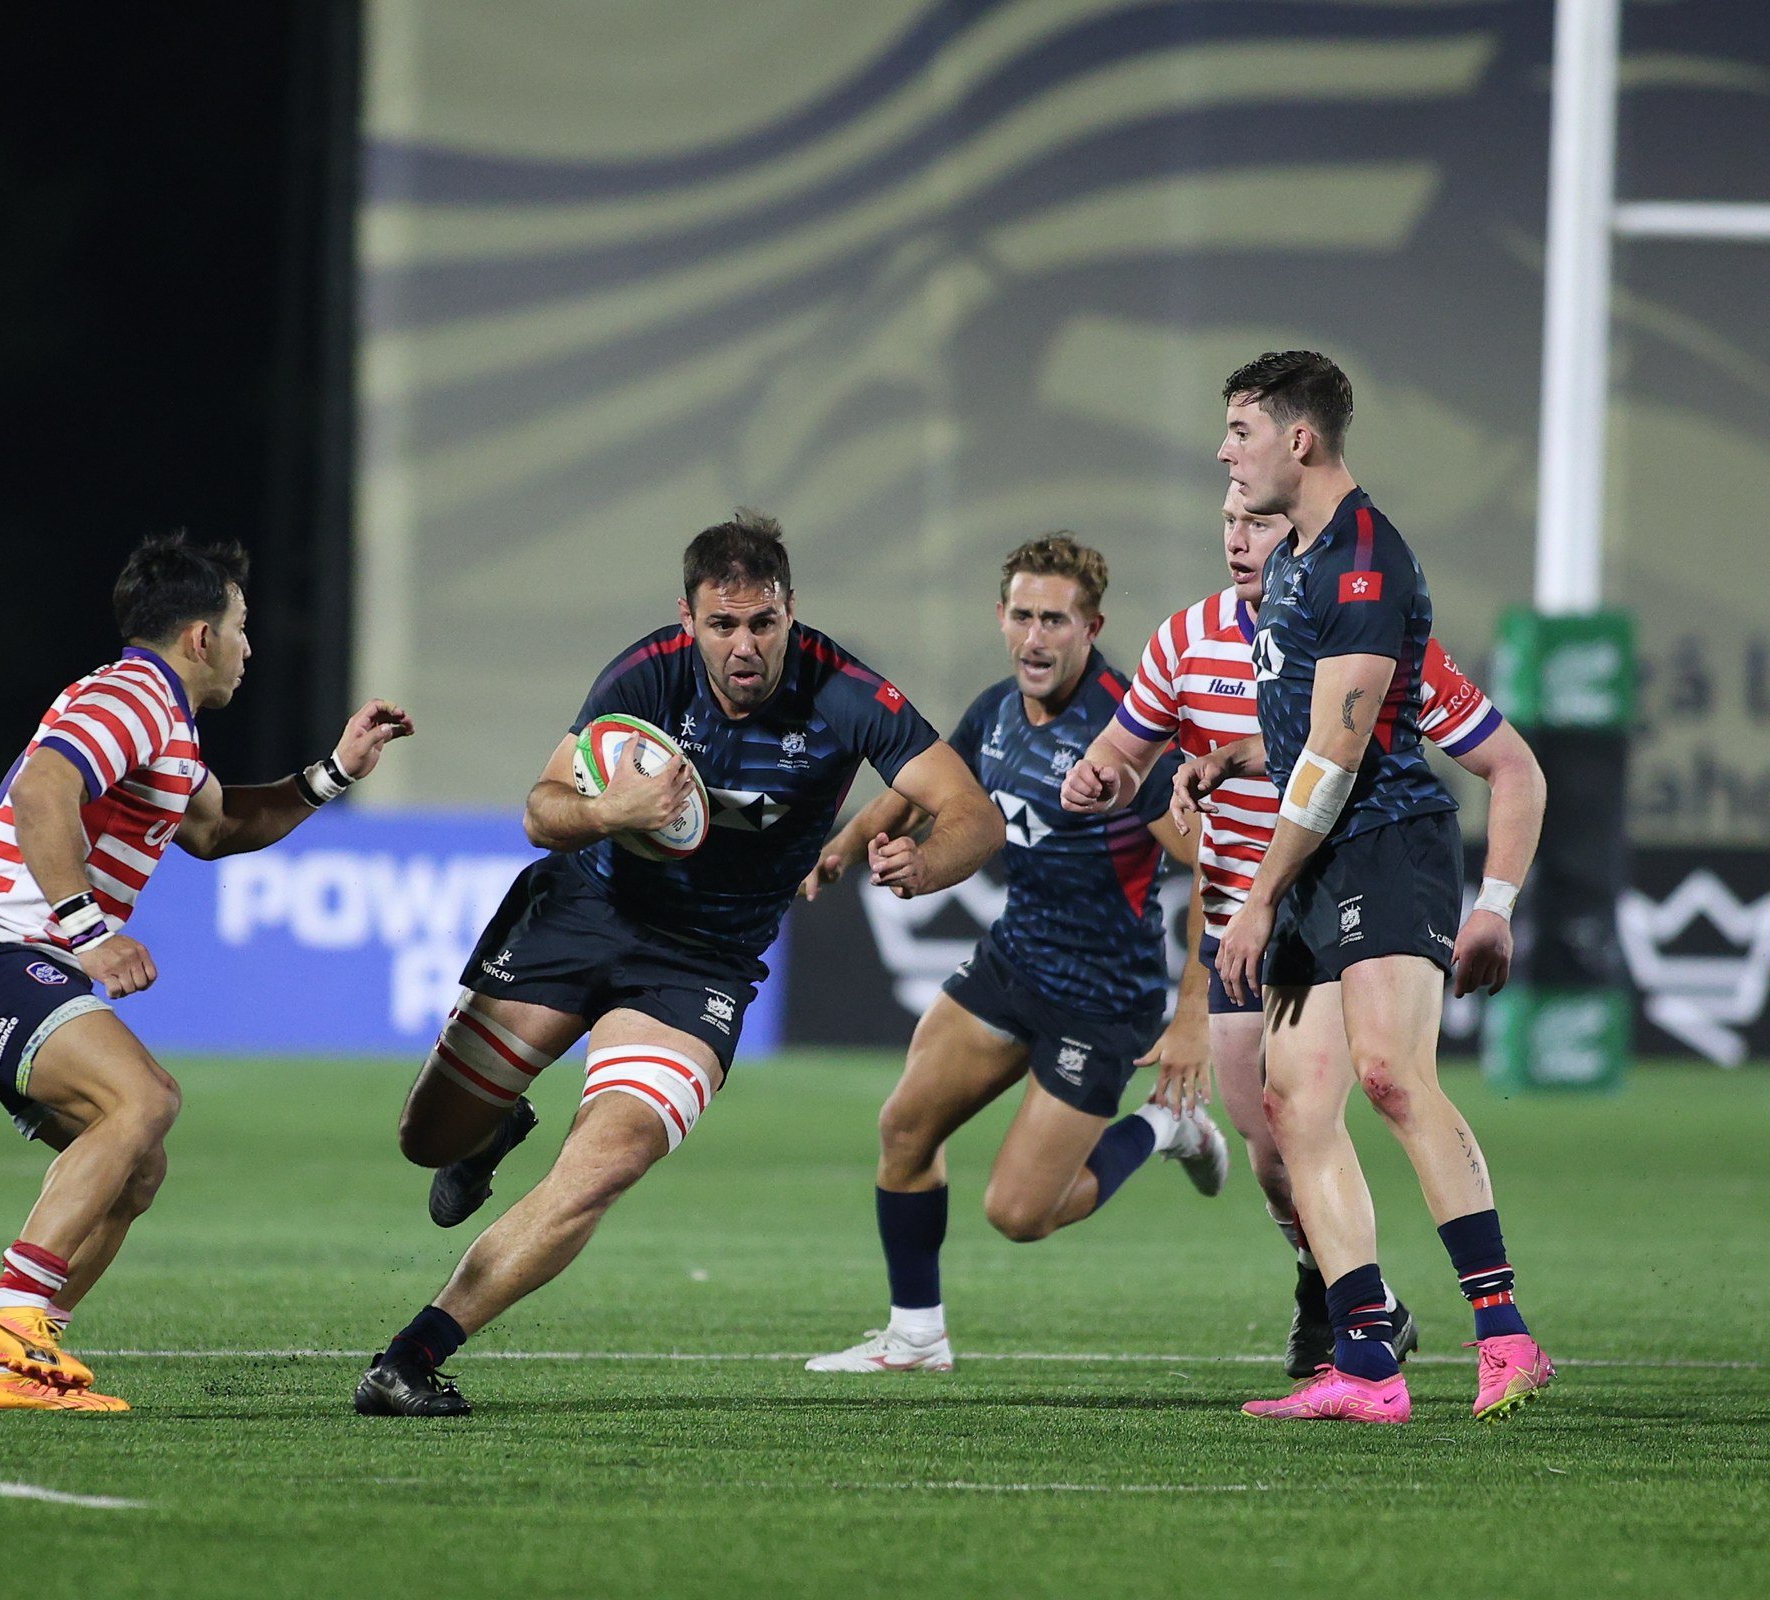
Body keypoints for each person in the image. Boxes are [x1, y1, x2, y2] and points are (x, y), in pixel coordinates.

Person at [356, 511, 1002, 1416]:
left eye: (764, 623)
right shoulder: (647, 672)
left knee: (607, 1158)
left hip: (700, 963)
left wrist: (924, 862)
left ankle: (412, 1356)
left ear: (790, 612)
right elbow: (543, 809)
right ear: (688, 619)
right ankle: (490, 1132)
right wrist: (611, 813)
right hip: (583, 911)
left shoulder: (847, 693)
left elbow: (973, 812)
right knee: (428, 1137)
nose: (746, 647)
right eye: (723, 625)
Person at [1067, 351, 1554, 1423]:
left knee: (1388, 1076)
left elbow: (1342, 766)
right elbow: (1311, 731)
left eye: (1241, 429)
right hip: (1319, 859)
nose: (1225, 453)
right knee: (1294, 1106)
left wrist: (1491, 905)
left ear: (1299, 440)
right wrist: (1237, 755)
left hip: (1383, 847)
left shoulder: (1365, 567)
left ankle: (1505, 1331)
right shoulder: (1297, 569)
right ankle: (1369, 1363)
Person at [0, 531, 413, 1412]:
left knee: (138, 1164)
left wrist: (335, 772)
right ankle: (8, 1319)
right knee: (145, 1100)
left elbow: (219, 830)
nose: (250, 646)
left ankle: (11, 1367)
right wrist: (88, 929)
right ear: (199, 637)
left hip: (8, 965)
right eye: (242, 624)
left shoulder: (163, 724)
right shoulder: (133, 696)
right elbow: (42, 791)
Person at [801, 535, 1227, 1375]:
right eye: (1023, 615)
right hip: (1014, 961)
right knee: (904, 1128)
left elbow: (1216, 868)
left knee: (1020, 1213)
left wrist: (1192, 1015)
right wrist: (848, 841)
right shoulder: (997, 709)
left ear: (1091, 626)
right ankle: (916, 1336)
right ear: (1001, 617)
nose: (1036, 637)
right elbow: (930, 788)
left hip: (1103, 996)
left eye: (1055, 620)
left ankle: (1165, 1126)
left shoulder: (1123, 733)